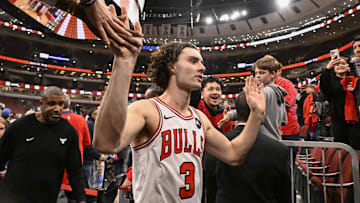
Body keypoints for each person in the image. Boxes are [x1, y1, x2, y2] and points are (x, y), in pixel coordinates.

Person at [93, 12, 265, 203]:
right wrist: (124, 63)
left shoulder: (199, 118)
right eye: (193, 61)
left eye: (201, 62)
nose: (202, 68)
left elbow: (234, 155)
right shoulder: (147, 110)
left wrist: (257, 115)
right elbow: (106, 144)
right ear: (171, 67)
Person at [0, 86, 86, 202]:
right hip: (13, 197)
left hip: (47, 198)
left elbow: (75, 170)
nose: (57, 109)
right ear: (41, 104)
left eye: (61, 104)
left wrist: (81, 199)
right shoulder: (20, 126)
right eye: (51, 104)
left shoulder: (68, 131)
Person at [214, 91, 291, 203]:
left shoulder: (217, 145)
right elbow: (284, 196)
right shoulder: (279, 150)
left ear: (237, 112)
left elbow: (210, 190)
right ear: (262, 114)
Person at [320, 56, 360, 149]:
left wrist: (354, 92)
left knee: (356, 149)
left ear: (348, 67)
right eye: (337, 64)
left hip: (356, 122)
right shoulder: (330, 82)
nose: (340, 66)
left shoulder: (356, 81)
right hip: (339, 122)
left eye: (343, 63)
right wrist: (327, 69)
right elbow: (324, 86)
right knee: (343, 151)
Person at [61, 94, 91, 202]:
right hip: (76, 164)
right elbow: (87, 143)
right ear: (69, 104)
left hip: (54, 164)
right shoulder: (81, 120)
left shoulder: (51, 119)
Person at [254, 55, 288, 140]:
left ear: (273, 74)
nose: (257, 76)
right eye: (256, 73)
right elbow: (284, 120)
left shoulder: (265, 92)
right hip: (275, 139)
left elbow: (249, 111)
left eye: (262, 73)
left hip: (264, 141)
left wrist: (230, 115)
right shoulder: (278, 92)